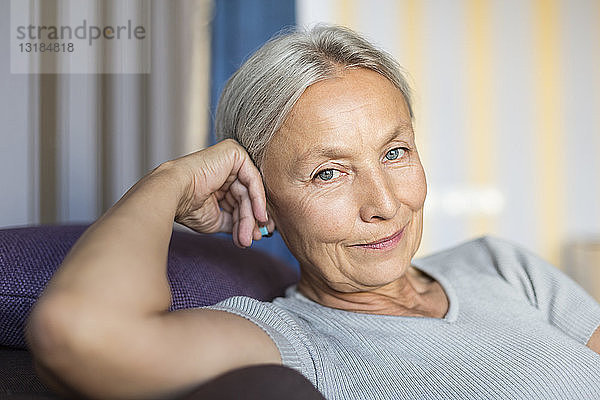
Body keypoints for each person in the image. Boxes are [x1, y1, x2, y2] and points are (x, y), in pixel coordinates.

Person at [27, 25, 600, 399]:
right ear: (261, 197)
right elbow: (77, 333)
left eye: (395, 152)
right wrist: (166, 182)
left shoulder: (500, 264)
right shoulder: (289, 342)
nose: (384, 205)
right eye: (329, 172)